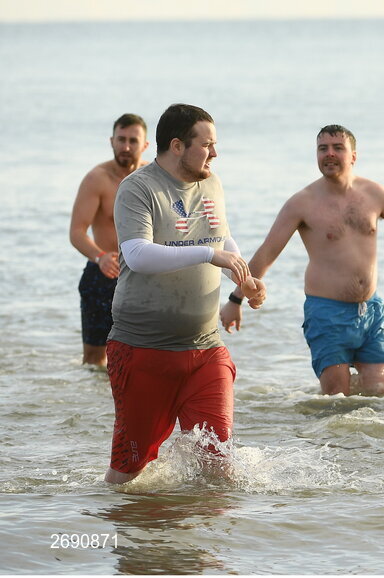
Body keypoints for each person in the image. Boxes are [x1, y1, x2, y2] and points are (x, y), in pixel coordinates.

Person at [220, 125, 384, 397]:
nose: (329, 154)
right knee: (336, 400)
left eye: (337, 148)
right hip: (326, 314)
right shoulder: (302, 203)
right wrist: (235, 300)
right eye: (323, 149)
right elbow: (268, 252)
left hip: (371, 311)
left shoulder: (376, 194)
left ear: (353, 156)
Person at [104, 103, 266, 484]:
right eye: (207, 144)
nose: (215, 153)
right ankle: (129, 539)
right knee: (130, 471)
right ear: (177, 146)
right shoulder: (138, 188)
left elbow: (220, 236)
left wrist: (241, 276)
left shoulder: (212, 181)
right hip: (143, 349)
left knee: (219, 464)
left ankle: (203, 544)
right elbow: (138, 255)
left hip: (206, 347)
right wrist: (212, 255)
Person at [69, 114, 149, 367]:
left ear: (145, 145)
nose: (126, 147)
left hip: (142, 277)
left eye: (133, 141)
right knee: (94, 359)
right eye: (121, 140)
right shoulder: (97, 179)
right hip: (102, 276)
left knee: (144, 356)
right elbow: (77, 232)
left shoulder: (153, 178)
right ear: (111, 141)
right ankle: (94, 406)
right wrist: (99, 256)